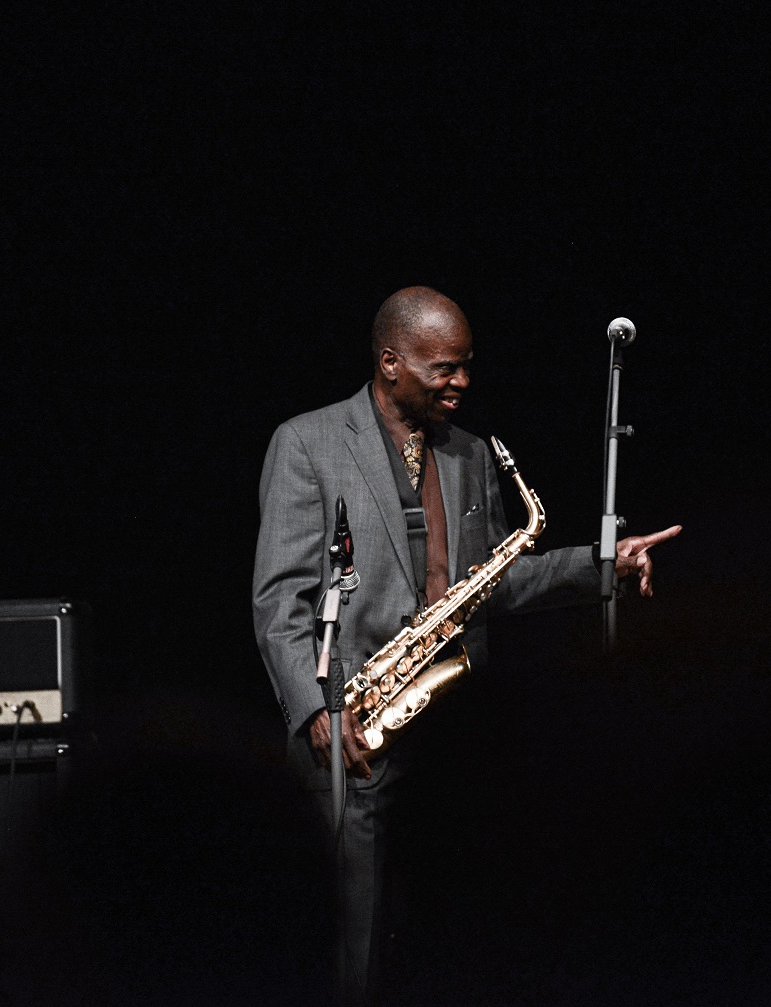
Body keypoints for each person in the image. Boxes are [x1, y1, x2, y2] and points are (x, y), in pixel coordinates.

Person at [252, 286, 679, 1005]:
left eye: (466, 366)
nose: (461, 383)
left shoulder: (472, 452)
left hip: (450, 733)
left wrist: (606, 560)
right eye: (443, 368)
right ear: (391, 362)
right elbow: (279, 601)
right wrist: (315, 710)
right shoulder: (307, 442)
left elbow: (497, 583)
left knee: (449, 939)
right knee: (353, 942)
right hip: (359, 727)